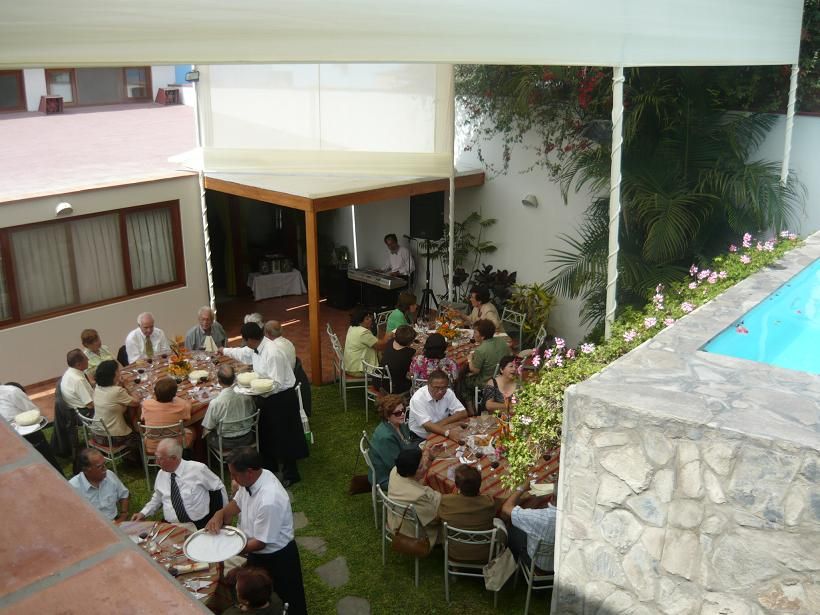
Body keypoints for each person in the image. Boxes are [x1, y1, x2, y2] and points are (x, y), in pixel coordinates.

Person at [206, 448, 307, 615]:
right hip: (257, 553)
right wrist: (221, 513)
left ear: (249, 472)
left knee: (286, 601)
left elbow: (260, 542)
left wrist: (226, 549)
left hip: (277, 559)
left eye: (234, 475)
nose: (232, 479)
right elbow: (237, 503)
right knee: (255, 599)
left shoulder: (269, 500)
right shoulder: (253, 479)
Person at [222, 323, 307, 486]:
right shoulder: (256, 347)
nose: (244, 344)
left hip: (281, 398)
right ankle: (270, 468)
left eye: (244, 340)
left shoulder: (272, 352)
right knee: (266, 434)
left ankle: (291, 474)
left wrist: (250, 391)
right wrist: (223, 350)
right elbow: (243, 354)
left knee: (285, 436)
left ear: (249, 339)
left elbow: (276, 383)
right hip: (266, 398)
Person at [133, 438, 227, 529]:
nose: (156, 462)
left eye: (160, 458)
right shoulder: (161, 474)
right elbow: (158, 497)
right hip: (171, 525)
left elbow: (218, 487)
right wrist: (143, 513)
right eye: (156, 457)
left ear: (174, 458)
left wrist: (223, 516)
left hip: (199, 524)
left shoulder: (198, 470)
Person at [0, 382, 64, 475]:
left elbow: (33, 411)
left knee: (47, 461)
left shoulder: (12, 392)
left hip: (28, 433)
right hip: (7, 440)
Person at [438, 464, 498, 561]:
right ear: (480, 484)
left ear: (457, 485)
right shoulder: (489, 503)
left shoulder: (446, 501)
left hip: (455, 553)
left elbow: (437, 519)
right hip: (484, 554)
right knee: (501, 525)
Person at [387, 447, 443, 548]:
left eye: (423, 462)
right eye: (420, 467)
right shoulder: (417, 496)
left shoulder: (395, 471)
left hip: (396, 519)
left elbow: (417, 477)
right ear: (410, 473)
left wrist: (430, 459)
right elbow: (434, 521)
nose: (425, 467)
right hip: (414, 532)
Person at [500, 482, 557, 572]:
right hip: (561, 564)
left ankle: (510, 565)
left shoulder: (539, 517)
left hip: (536, 564)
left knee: (511, 530)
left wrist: (521, 488)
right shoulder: (576, 517)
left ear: (552, 497)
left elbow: (506, 508)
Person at [368, 394, 418, 490]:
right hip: (386, 477)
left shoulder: (399, 424)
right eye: (397, 413)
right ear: (387, 415)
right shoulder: (386, 437)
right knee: (425, 480)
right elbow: (395, 465)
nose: (403, 414)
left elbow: (408, 444)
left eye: (403, 410)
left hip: (400, 467)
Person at [201, 364, 256, 448]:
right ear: (234, 379)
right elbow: (252, 411)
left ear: (219, 381)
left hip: (225, 442)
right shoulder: (247, 396)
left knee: (205, 432)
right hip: (247, 437)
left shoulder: (215, 403)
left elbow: (208, 425)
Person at [69, 448, 130, 521]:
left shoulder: (109, 475)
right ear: (86, 470)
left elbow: (124, 494)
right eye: (100, 467)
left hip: (114, 521)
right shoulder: (72, 488)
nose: (105, 469)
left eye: (105, 464)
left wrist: (124, 514)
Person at [91, 359, 140, 448]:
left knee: (128, 415)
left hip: (96, 432)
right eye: (117, 371)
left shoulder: (97, 387)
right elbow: (136, 402)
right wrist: (127, 385)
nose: (120, 372)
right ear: (113, 375)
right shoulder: (117, 391)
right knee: (139, 434)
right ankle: (136, 455)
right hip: (111, 438)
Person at [407, 370, 467, 442]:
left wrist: (439, 425)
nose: (440, 391)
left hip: (443, 430)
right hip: (421, 437)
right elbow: (428, 427)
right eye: (436, 388)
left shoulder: (448, 393)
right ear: (428, 385)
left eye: (444, 387)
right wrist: (448, 430)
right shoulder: (418, 399)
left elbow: (463, 413)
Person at [140, 377, 194, 454]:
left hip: (152, 447)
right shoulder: (182, 406)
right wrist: (181, 400)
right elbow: (187, 417)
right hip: (173, 446)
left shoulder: (146, 404)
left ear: (155, 393)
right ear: (174, 394)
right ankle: (187, 455)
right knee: (192, 429)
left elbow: (142, 418)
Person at [467, 319, 510, 390]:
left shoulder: (480, 350)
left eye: (475, 332)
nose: (473, 335)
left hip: (487, 382)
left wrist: (470, 359)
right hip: (502, 375)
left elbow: (475, 371)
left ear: (482, 336)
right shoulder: (501, 340)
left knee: (463, 378)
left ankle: (468, 396)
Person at [342, 307, 380, 377]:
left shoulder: (352, 327)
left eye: (370, 317)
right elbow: (380, 346)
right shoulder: (363, 332)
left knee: (380, 354)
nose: (370, 320)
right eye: (367, 319)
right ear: (360, 321)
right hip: (357, 370)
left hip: (349, 366)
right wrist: (389, 335)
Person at [379, 325, 416, 394]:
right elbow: (410, 371)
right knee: (414, 378)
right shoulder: (409, 352)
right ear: (410, 342)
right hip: (393, 387)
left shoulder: (390, 342)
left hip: (379, 380)